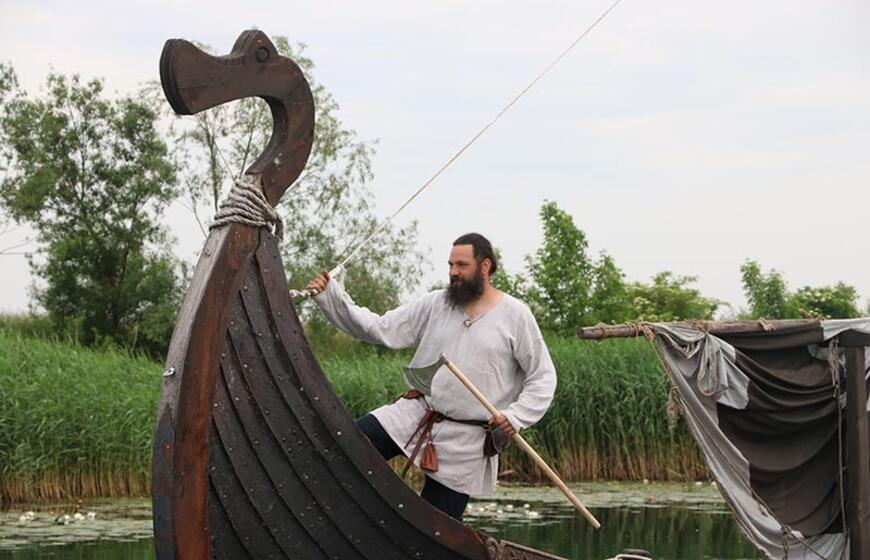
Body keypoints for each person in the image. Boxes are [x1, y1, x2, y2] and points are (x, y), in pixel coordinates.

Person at [307, 233, 556, 522]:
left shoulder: (516, 315)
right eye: (451, 265)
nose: (453, 272)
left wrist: (516, 416)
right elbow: (381, 328)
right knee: (346, 446)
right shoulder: (437, 303)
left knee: (437, 526)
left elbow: (542, 376)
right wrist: (331, 297)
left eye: (461, 265)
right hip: (416, 413)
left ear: (485, 266)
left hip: (467, 440)